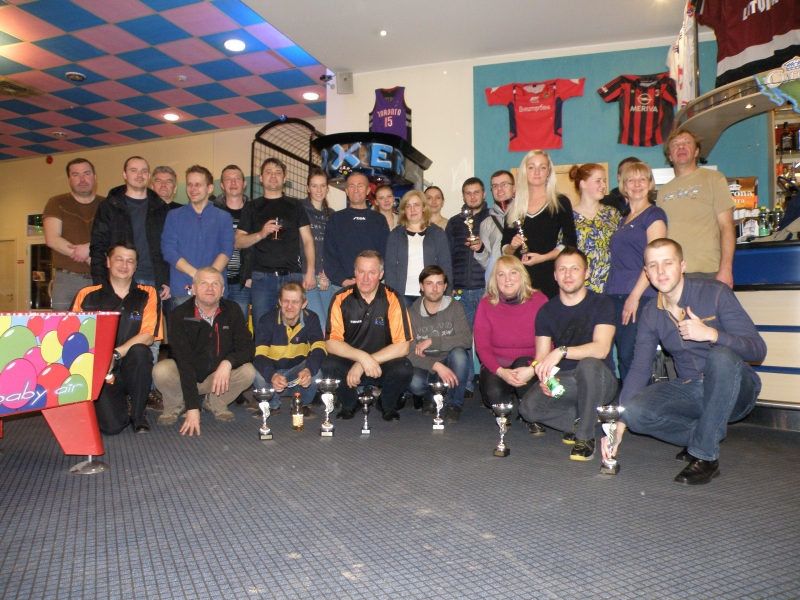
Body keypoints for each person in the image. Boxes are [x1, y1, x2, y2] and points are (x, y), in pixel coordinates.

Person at [605, 238, 766, 484]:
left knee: (721, 355)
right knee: (635, 412)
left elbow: (758, 350)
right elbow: (639, 369)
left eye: (668, 263)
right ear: (646, 273)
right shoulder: (651, 312)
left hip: (736, 390)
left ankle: (705, 455)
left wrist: (712, 334)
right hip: (692, 389)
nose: (661, 271)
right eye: (653, 265)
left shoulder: (715, 293)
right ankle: (703, 436)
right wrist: (620, 424)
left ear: (682, 266)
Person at [519, 247, 618, 460]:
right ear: (555, 275)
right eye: (562, 269)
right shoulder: (546, 311)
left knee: (588, 364)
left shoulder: (603, 304)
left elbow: (601, 349)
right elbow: (541, 357)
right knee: (528, 409)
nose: (568, 274)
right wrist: (546, 378)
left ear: (586, 273)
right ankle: (583, 417)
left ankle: (585, 437)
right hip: (566, 382)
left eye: (575, 268)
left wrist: (562, 351)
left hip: (599, 380)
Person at [154, 267, 256, 435]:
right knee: (161, 370)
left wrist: (228, 363)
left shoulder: (233, 310)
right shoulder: (178, 314)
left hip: (216, 378)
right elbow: (184, 362)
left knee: (248, 371)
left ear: (222, 290)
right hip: (184, 376)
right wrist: (192, 408)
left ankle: (214, 402)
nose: (210, 288)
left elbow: (247, 347)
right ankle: (177, 404)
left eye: (215, 284)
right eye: (204, 283)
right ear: (193, 289)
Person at [72, 242, 160, 435]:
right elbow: (75, 337)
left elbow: (148, 336)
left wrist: (115, 354)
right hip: (101, 370)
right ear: (108, 262)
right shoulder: (87, 295)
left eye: (130, 261)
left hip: (130, 364)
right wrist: (102, 360)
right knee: (111, 428)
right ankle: (113, 403)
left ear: (136, 266)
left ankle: (138, 414)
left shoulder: (148, 294)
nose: (124, 265)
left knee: (141, 351)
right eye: (119, 259)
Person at [322, 250, 413, 422]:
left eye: (372, 273)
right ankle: (350, 403)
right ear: (354, 272)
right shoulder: (340, 298)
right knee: (329, 364)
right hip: (350, 363)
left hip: (382, 363)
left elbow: (403, 347)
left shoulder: (393, 298)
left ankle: (386, 404)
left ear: (381, 274)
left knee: (404, 368)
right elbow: (331, 343)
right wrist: (361, 358)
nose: (365, 278)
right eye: (361, 271)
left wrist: (366, 361)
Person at [235, 158, 316, 329]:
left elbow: (308, 239)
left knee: (294, 329)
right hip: (262, 278)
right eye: (269, 172)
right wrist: (261, 234)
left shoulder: (295, 205)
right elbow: (238, 241)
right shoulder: (251, 207)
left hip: (292, 277)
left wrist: (310, 271)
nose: (273, 176)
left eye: (278, 172)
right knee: (262, 329)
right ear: (261, 178)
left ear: (284, 178)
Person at [605, 162, 667, 382]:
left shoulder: (654, 214)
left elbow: (655, 260)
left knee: (631, 356)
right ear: (624, 186)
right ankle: (627, 401)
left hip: (640, 295)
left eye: (642, 179)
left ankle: (643, 402)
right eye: (631, 180)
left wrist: (634, 296)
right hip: (615, 294)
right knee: (622, 358)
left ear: (650, 184)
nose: (637, 184)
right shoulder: (623, 219)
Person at [474, 256, 548, 428]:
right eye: (501, 274)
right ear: (495, 279)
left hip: (531, 363)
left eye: (513, 273)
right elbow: (482, 348)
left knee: (522, 363)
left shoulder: (540, 301)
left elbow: (549, 344)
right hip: (497, 365)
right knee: (493, 394)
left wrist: (532, 369)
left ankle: (528, 410)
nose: (507, 279)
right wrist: (501, 372)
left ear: (522, 275)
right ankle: (506, 403)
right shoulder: (486, 305)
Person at [657, 128, 736, 287]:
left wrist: (726, 268)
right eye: (675, 144)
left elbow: (726, 226)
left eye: (687, 143)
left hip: (708, 272)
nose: (681, 147)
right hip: (673, 274)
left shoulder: (714, 179)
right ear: (670, 156)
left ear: (696, 152)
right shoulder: (662, 192)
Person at [90, 156, 170, 303]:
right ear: (124, 175)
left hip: (154, 281)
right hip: (118, 281)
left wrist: (167, 280)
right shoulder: (108, 206)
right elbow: (98, 247)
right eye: (134, 170)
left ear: (149, 176)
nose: (139, 175)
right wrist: (100, 283)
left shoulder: (162, 208)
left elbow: (169, 247)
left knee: (153, 320)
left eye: (144, 171)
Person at [501, 150, 577, 299]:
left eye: (542, 167)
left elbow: (570, 242)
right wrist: (513, 247)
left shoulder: (560, 202)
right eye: (531, 167)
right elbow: (504, 248)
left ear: (548, 172)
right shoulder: (514, 206)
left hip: (550, 278)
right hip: (520, 280)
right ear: (524, 171)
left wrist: (543, 257)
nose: (537, 172)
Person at [406, 266, 472, 423]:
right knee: (413, 381)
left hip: (450, 362)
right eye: (429, 283)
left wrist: (432, 341)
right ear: (422, 286)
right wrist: (435, 365)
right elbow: (408, 352)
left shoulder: (454, 306)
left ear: (445, 286)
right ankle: (431, 395)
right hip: (427, 364)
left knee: (460, 355)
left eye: (439, 283)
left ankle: (453, 404)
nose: (434, 289)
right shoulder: (411, 313)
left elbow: (466, 339)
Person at [444, 177, 492, 395]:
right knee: (463, 340)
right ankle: (467, 384)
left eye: (476, 192)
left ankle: (488, 381)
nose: (472, 197)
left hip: (485, 289)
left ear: (484, 194)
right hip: (460, 291)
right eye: (468, 193)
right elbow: (448, 256)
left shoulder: (493, 219)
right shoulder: (455, 223)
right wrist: (450, 286)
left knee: (485, 339)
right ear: (463, 196)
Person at [162, 165, 234, 309]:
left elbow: (226, 251)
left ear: (210, 188)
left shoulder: (224, 217)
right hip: (182, 289)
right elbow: (169, 251)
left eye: (198, 184)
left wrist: (208, 281)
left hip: (214, 291)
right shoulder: (174, 216)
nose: (193, 188)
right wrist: (198, 276)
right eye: (189, 184)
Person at [253, 281, 326, 418]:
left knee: (316, 373)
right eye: (286, 301)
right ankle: (272, 406)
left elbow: (319, 348)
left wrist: (308, 370)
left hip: (297, 372)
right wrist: (272, 375)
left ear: (304, 304)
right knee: (258, 375)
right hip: (274, 372)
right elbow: (259, 355)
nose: (289, 306)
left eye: (295, 302)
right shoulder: (267, 320)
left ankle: (300, 405)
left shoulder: (311, 319)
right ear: (279, 302)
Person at [43, 158, 104, 310]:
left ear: (95, 177)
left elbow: (115, 239)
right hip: (66, 282)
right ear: (69, 179)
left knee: (99, 325)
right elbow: (52, 239)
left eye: (86, 173)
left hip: (100, 280)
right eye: (76, 175)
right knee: (63, 325)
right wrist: (86, 254)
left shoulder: (107, 205)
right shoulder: (57, 203)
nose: (82, 179)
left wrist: (90, 248)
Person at [384, 190, 453, 307]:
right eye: (408, 206)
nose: (412, 209)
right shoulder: (395, 234)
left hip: (431, 294)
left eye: (416, 205)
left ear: (424, 208)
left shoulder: (437, 233)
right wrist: (392, 295)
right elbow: (390, 268)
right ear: (404, 210)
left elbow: (446, 265)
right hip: (402, 295)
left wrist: (447, 293)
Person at [323, 172, 391, 289]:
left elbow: (386, 255)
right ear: (346, 191)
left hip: (372, 286)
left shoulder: (379, 220)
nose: (356, 190)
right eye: (351, 186)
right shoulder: (336, 219)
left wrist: (371, 279)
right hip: (341, 286)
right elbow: (329, 255)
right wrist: (342, 280)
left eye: (360, 186)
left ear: (368, 190)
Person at [567, 163, 620, 292]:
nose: (604, 185)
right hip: (581, 287)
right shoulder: (568, 217)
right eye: (598, 181)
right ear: (583, 183)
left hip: (613, 286)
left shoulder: (613, 214)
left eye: (604, 181)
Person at [213, 164, 252, 319]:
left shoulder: (254, 212)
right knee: (214, 325)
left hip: (242, 282)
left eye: (237, 179)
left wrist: (250, 274)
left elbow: (259, 245)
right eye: (228, 179)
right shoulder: (212, 212)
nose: (233, 182)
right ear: (222, 185)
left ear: (244, 183)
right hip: (216, 279)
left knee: (239, 326)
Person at [300, 168, 334, 329]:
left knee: (327, 325)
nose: (319, 190)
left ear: (327, 188)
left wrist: (327, 273)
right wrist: (310, 272)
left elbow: (333, 248)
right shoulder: (299, 209)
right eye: (314, 186)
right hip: (305, 275)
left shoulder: (332, 215)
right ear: (308, 188)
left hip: (325, 277)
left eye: (322, 186)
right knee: (317, 325)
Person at [475, 170, 515, 286]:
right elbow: (487, 264)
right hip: (500, 284)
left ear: (514, 188)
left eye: (504, 184)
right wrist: (480, 250)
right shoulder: (486, 224)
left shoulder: (526, 215)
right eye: (495, 186)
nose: (499, 189)